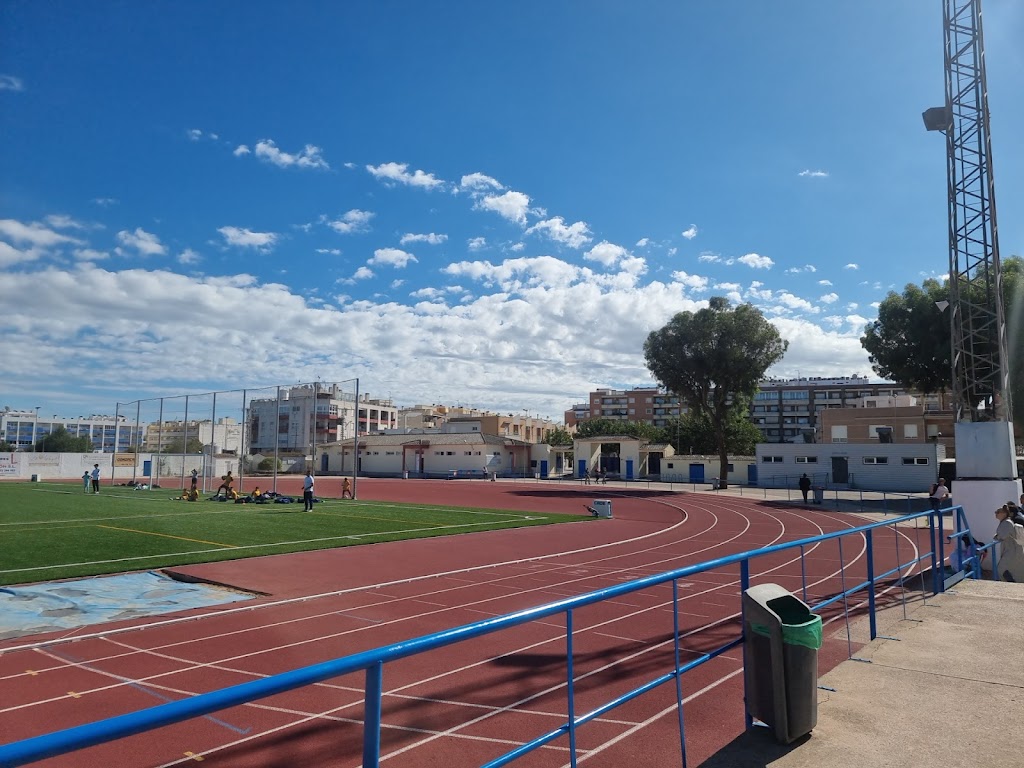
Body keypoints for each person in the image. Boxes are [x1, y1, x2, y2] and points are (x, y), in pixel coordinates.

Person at [993, 504, 1024, 582]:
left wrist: (997, 537)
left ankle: (1011, 583)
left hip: (1013, 550)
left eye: (998, 512)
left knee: (1001, 568)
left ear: (1004, 513)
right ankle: (1011, 582)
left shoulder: (1007, 523)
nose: (996, 513)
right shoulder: (1004, 522)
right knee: (1009, 569)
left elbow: (1002, 536)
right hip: (1010, 549)